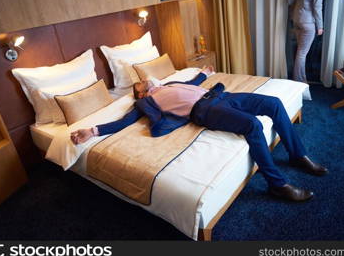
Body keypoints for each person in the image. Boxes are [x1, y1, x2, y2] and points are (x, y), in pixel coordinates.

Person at [71, 66, 328, 202]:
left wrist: (204, 73)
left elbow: (193, 84)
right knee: (252, 125)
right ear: (139, 92)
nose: (145, 81)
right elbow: (123, 122)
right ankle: (277, 185)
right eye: (139, 84)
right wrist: (92, 130)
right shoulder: (143, 103)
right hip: (204, 110)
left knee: (272, 103)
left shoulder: (169, 84)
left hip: (220, 96)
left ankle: (297, 154)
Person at [282, 0, 324, 83]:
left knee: (300, 53)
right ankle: (300, 83)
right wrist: (320, 25)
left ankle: (300, 81)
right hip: (308, 21)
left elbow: (290, 1)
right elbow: (317, 5)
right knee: (301, 54)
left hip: (297, 19)